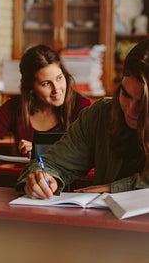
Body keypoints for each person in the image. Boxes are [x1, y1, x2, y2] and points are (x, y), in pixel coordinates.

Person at [16, 38, 149, 199]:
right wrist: (39, 178)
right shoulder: (100, 114)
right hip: (104, 222)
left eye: (143, 103)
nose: (131, 111)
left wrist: (112, 188)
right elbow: (51, 163)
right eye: (126, 95)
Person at [0, 45, 91, 159]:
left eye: (59, 78)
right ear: (30, 88)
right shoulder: (14, 107)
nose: (56, 89)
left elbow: (90, 150)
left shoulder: (82, 107)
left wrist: (41, 150)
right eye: (46, 84)